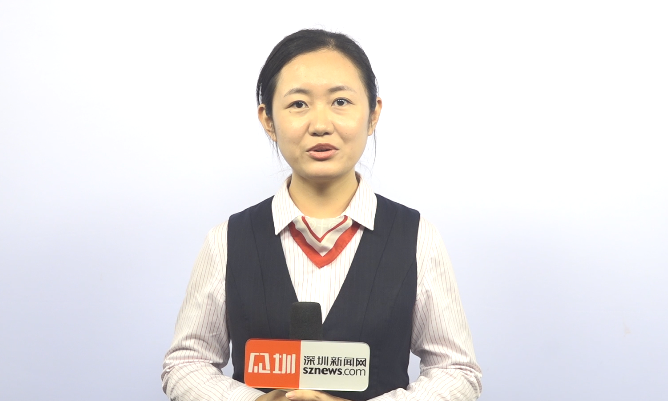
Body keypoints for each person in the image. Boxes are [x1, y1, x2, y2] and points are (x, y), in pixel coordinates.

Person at [162, 29, 482, 401]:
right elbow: (187, 363)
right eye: (298, 104)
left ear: (373, 114)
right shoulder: (227, 240)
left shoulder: (416, 237)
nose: (320, 124)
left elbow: (456, 371)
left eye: (340, 101)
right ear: (268, 120)